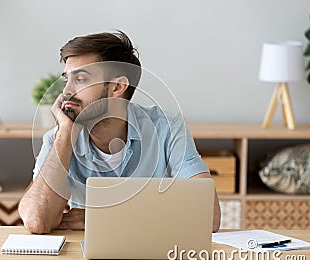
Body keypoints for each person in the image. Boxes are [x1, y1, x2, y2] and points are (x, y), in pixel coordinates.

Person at [18, 31, 221, 234]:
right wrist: (65, 133)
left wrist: (104, 215)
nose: (66, 92)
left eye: (80, 79)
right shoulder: (58, 138)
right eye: (66, 80)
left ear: (117, 87)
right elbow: (37, 220)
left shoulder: (167, 127)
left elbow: (208, 217)